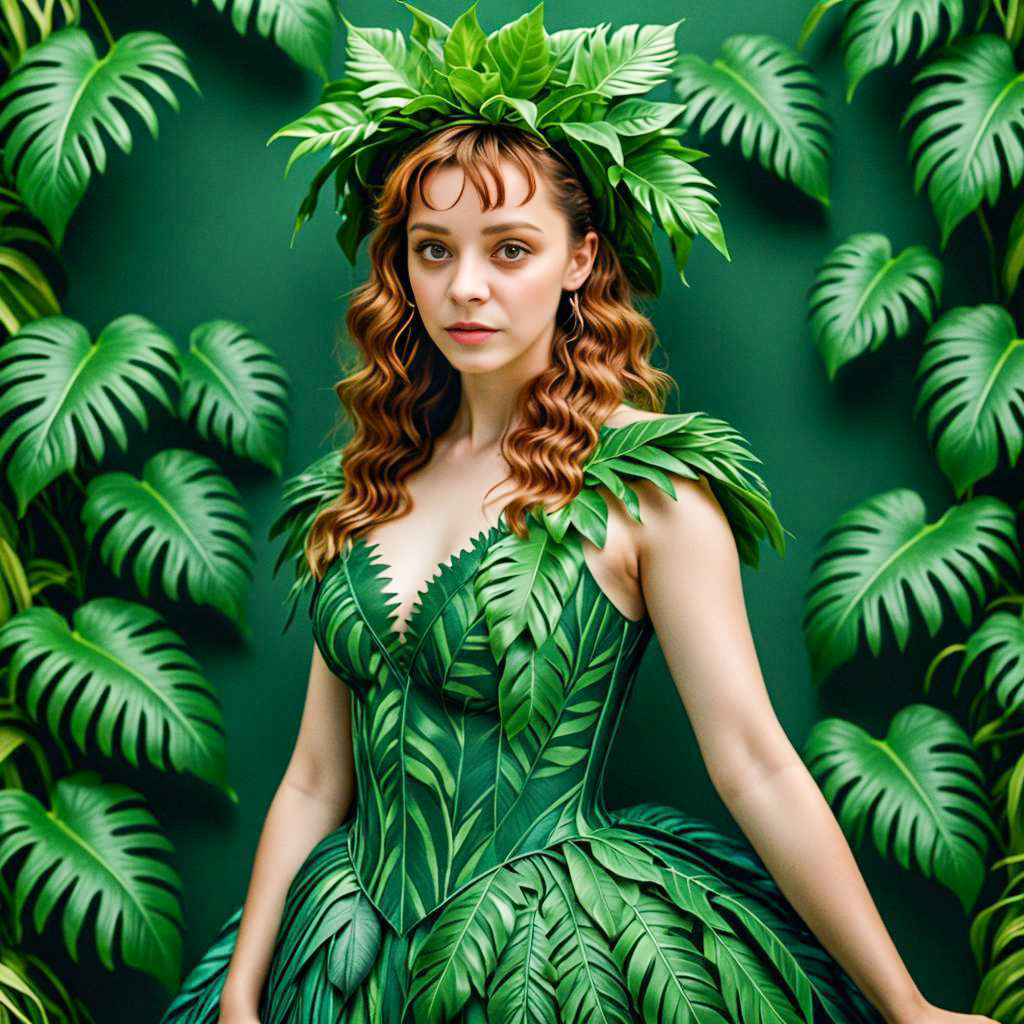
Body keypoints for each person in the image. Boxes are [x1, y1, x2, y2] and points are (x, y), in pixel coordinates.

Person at [158, 8, 1002, 1024]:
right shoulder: (365, 482)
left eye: (508, 248)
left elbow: (754, 762)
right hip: (336, 966)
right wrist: (245, 990)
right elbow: (311, 778)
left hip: (547, 969)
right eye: (433, 250)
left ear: (579, 260)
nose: (464, 286)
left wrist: (907, 1008)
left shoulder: (650, 492)